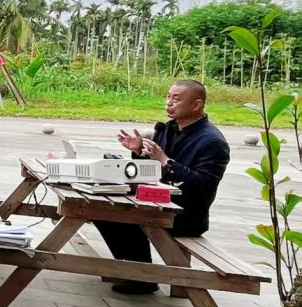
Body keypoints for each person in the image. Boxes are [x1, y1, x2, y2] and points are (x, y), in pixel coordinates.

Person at [93, 80, 231, 294]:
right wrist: (138, 152)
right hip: (155, 200)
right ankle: (136, 271)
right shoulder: (167, 129)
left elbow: (204, 184)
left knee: (121, 214)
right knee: (100, 209)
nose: (169, 103)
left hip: (185, 213)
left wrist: (167, 161)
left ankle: (143, 278)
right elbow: (153, 171)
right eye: (168, 96)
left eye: (176, 99)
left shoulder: (212, 142)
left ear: (196, 105)